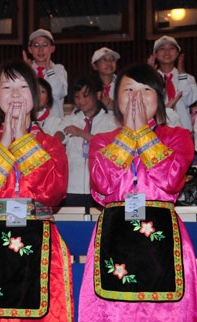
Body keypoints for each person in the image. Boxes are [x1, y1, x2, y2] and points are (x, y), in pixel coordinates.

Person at [79, 63, 197, 321]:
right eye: (129, 90)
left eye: (145, 90)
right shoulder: (102, 140)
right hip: (114, 236)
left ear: (159, 98)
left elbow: (170, 180)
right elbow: (102, 186)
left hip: (162, 238)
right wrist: (125, 137)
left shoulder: (177, 136)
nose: (136, 98)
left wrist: (142, 132)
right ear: (115, 97)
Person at [0, 61, 73, 321]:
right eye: (7, 87)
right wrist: (6, 141)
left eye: (23, 86)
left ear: (35, 95)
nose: (16, 94)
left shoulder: (50, 144)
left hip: (40, 241)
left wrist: (22, 141)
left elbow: (53, 192)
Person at [55, 76, 118, 207]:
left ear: (98, 95)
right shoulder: (70, 119)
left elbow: (111, 146)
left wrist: (82, 134)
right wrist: (55, 139)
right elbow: (60, 133)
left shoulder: (111, 121)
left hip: (100, 188)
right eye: (77, 97)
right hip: (72, 187)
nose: (81, 101)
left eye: (85, 95)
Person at [148, 35, 197, 131]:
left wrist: (182, 74)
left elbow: (188, 100)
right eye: (162, 48)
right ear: (155, 54)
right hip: (156, 130)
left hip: (183, 129)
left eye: (171, 48)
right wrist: (148, 75)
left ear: (178, 53)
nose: (167, 52)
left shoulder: (188, 78)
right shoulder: (149, 77)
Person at [23, 29, 68, 117]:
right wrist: (26, 72)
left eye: (45, 45)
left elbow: (58, 92)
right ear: (30, 49)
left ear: (52, 48)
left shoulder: (59, 69)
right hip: (30, 123)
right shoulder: (25, 70)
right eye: (36, 45)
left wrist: (49, 70)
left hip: (54, 124)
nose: (40, 50)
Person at [91, 47, 120, 112]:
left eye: (112, 59)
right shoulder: (89, 86)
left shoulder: (123, 84)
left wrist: (114, 106)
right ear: (95, 66)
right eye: (104, 60)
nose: (109, 63)